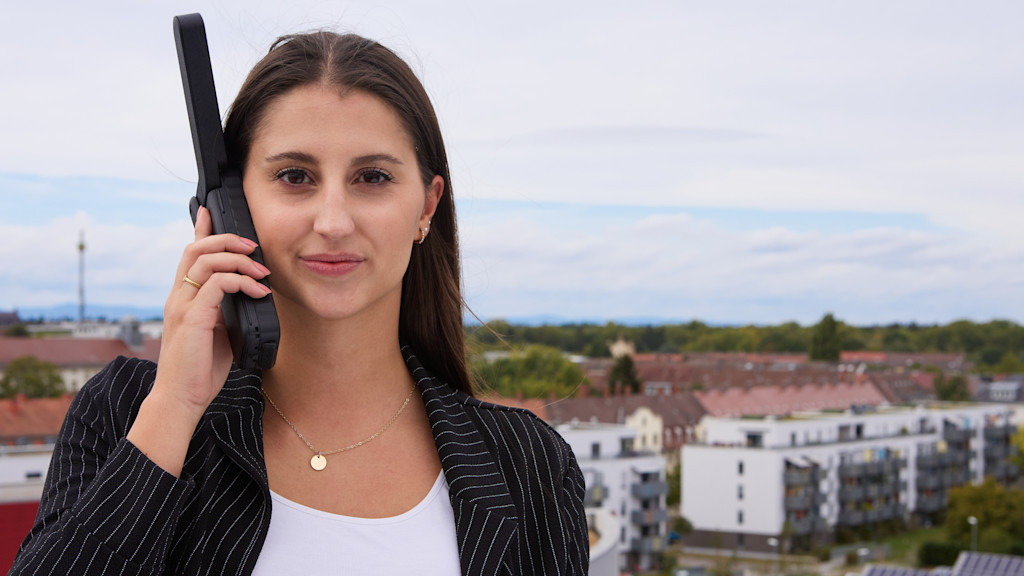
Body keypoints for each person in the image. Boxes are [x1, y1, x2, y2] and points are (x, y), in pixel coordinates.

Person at [11, 30, 588, 576]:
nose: (333, 222)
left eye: (372, 177)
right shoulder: (128, 414)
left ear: (426, 207)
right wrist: (174, 410)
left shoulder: (529, 466)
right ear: (232, 200)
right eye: (294, 176)